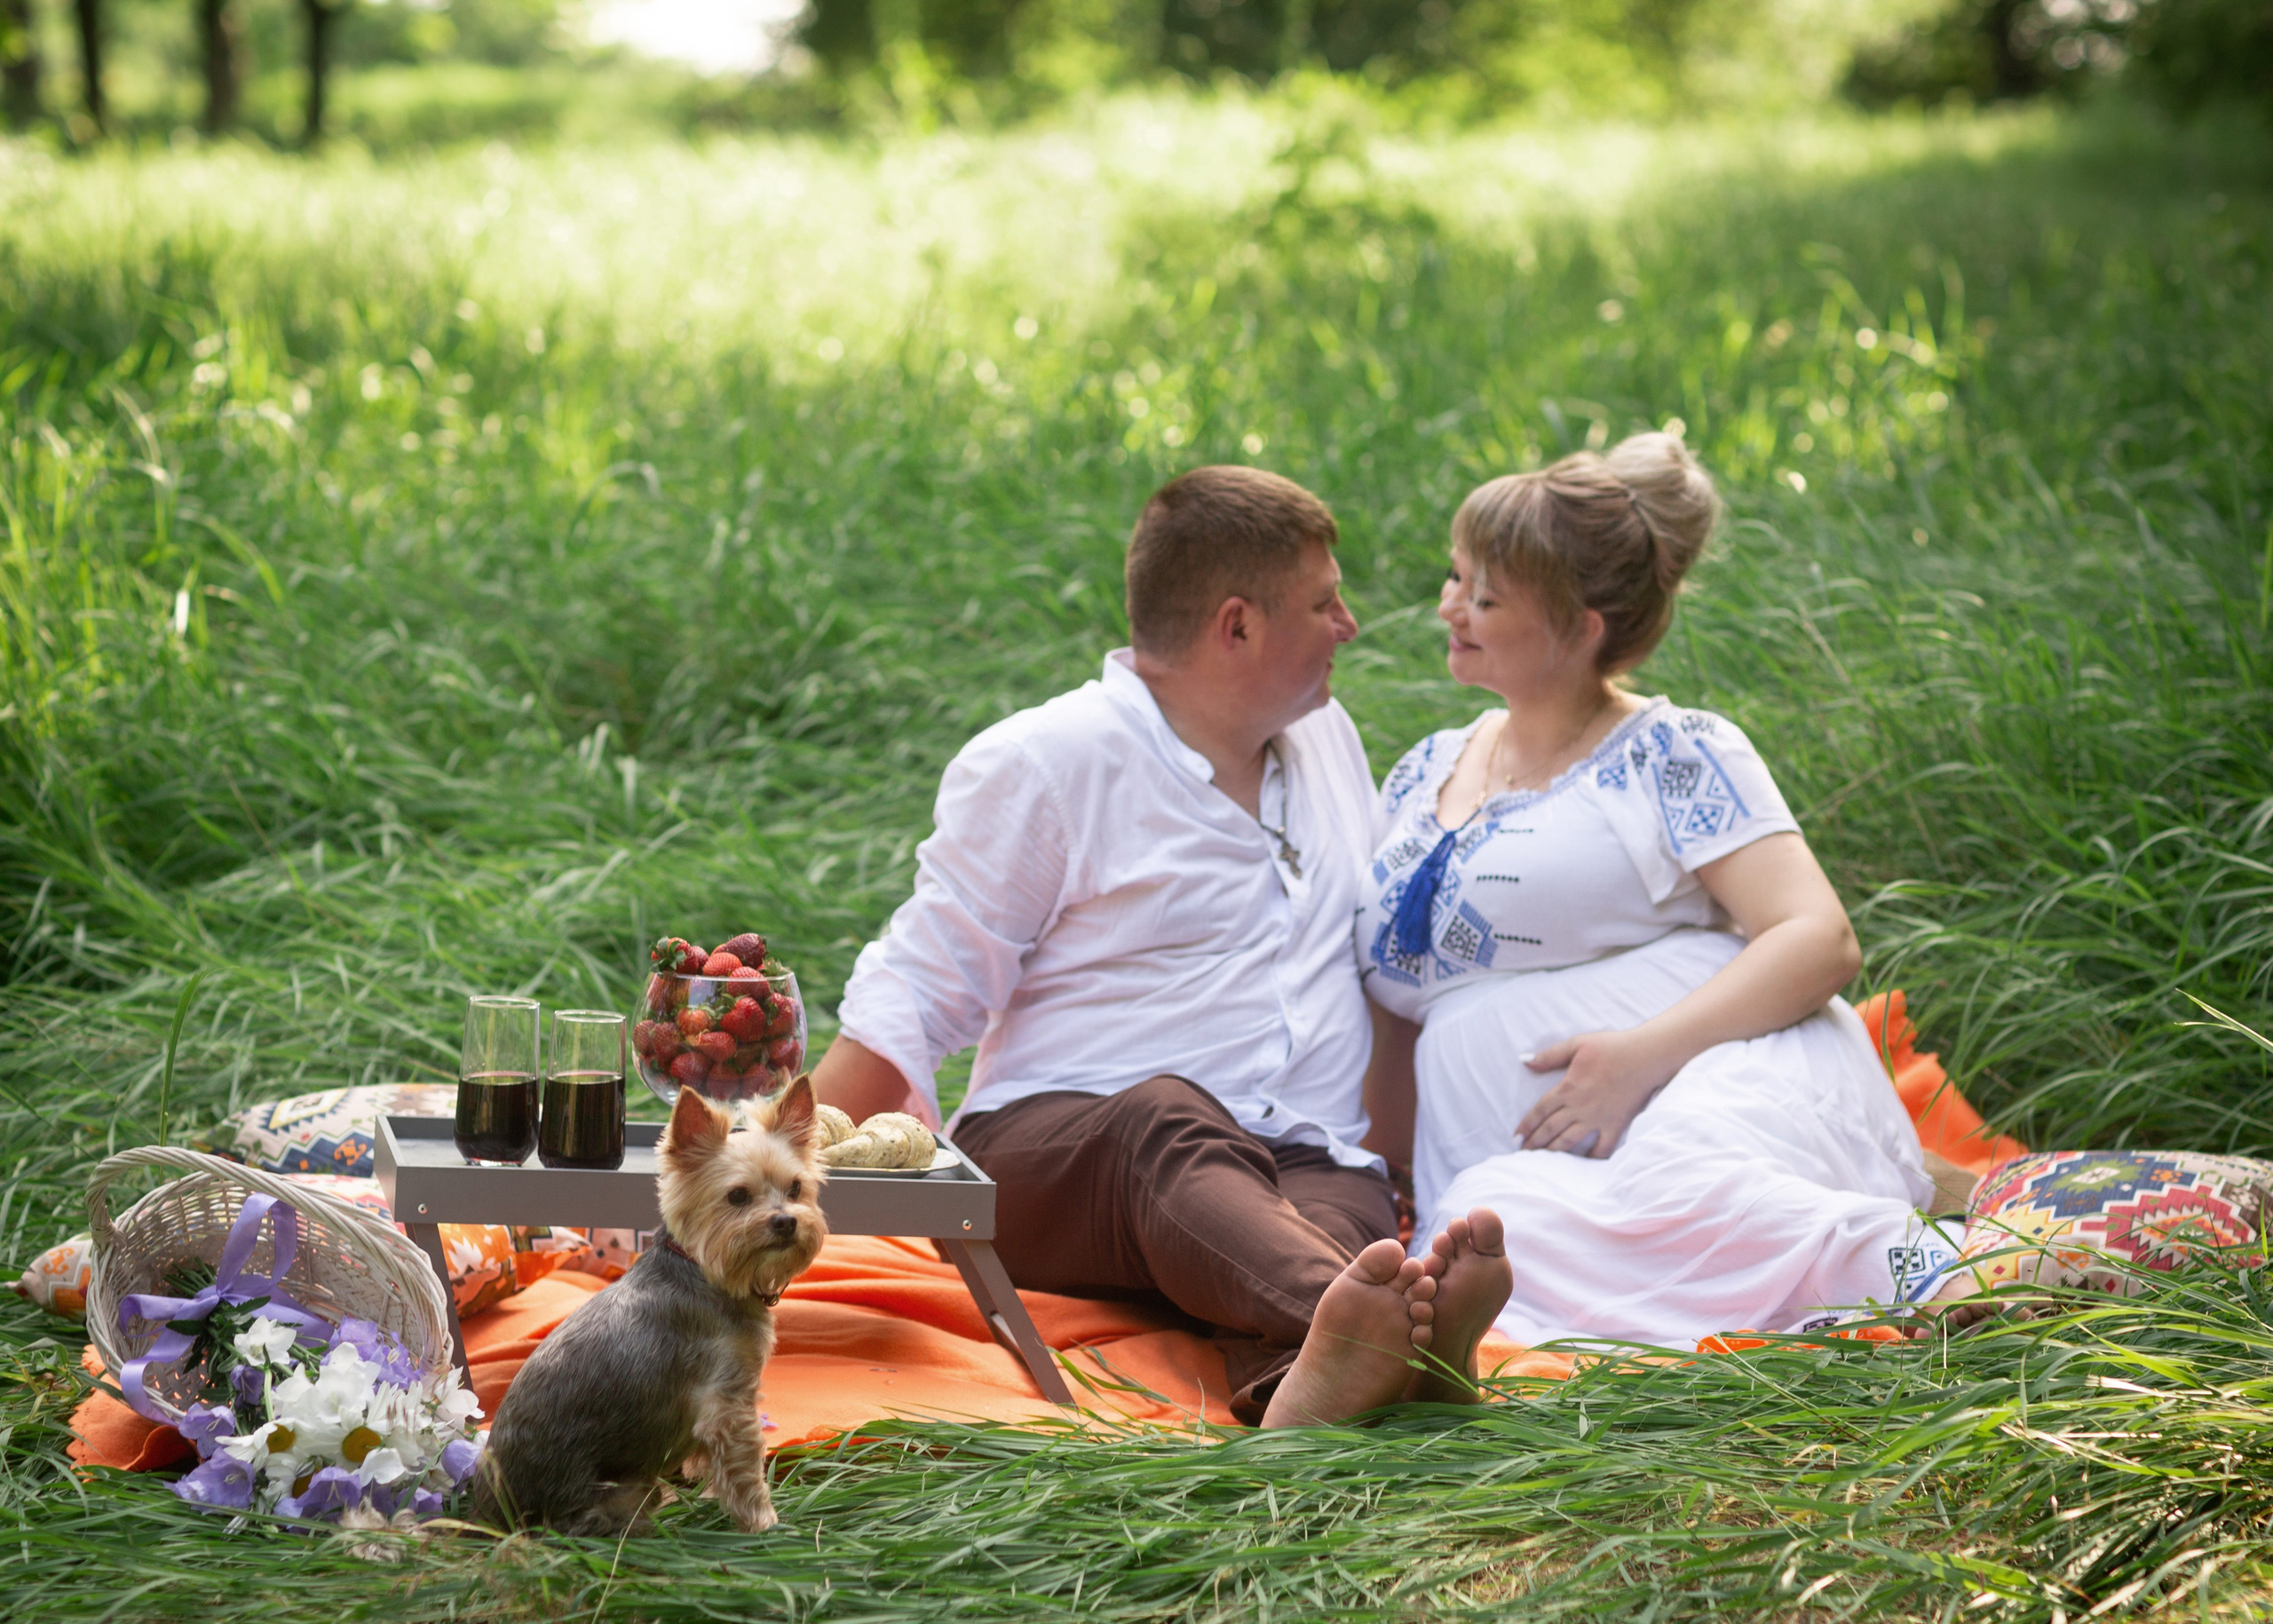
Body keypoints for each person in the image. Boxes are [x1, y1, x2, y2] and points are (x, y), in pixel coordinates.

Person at [812, 466, 1509, 1427]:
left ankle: (1313, 1386)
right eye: (1324, 602)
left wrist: (1386, 1157)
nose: (1349, 624)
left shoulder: (1326, 740)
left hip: (1293, 1154)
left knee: (1337, 1213)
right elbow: (916, 988)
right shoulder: (1049, 761)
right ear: (1238, 626)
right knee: (1168, 1120)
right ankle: (1411, 1346)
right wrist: (757, 1169)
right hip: (1074, 1157)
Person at [1359, 431, 1960, 1352]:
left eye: (1484, 595)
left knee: (1685, 1185)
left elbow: (1818, 936)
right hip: (1521, 1154)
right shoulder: (1421, 770)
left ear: (1580, 626)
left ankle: (1956, 1275)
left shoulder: (1671, 752)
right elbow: (1392, 1008)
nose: (1450, 606)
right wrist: (1378, 1174)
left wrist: (1636, 1060)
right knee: (1497, 1216)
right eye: (1454, 577)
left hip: (1726, 1077)